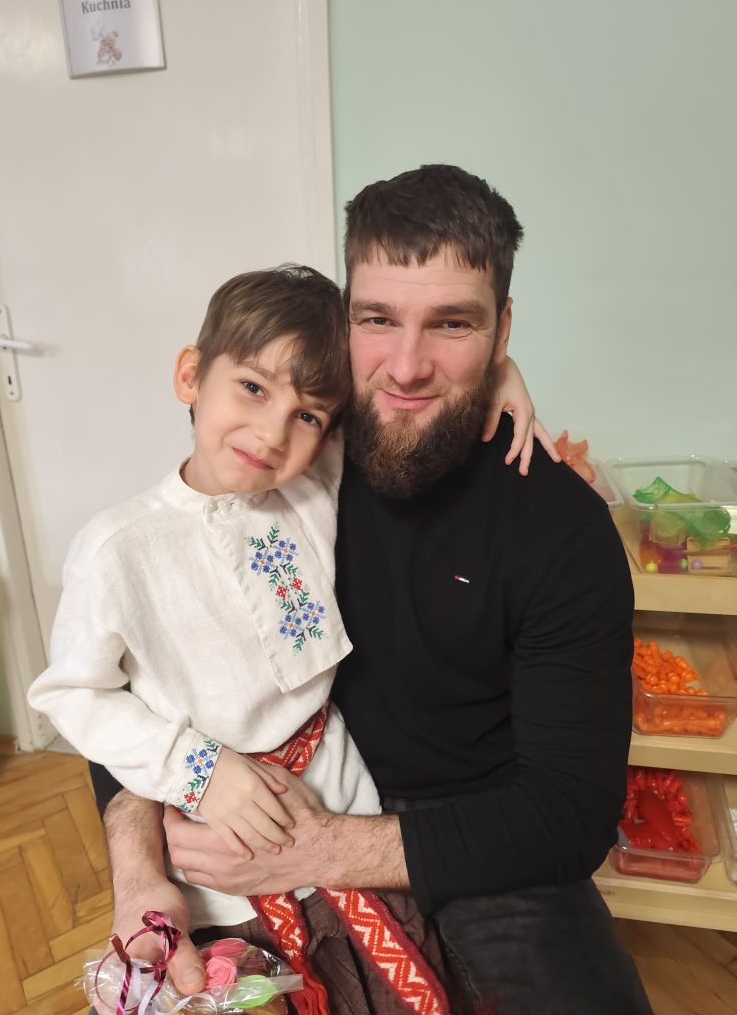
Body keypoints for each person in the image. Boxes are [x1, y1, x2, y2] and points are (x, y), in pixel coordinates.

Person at [90, 164, 652, 1015]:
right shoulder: (285, 457)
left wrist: (324, 849)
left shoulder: (561, 529)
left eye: (453, 323)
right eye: (378, 319)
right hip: (254, 804)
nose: (408, 367)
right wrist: (139, 875)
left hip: (481, 835)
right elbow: (133, 670)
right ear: (344, 321)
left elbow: (569, 816)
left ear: (503, 330)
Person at [29, 261, 543, 1015]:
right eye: (252, 388)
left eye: (307, 416)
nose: (273, 433)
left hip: (347, 818)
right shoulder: (115, 548)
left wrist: (498, 371)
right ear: (190, 375)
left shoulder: (308, 492)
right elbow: (75, 695)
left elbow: (399, 402)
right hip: (218, 861)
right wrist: (201, 771)